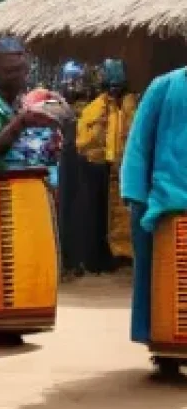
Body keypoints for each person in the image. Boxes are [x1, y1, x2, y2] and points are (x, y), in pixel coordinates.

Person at [0, 36, 64, 345]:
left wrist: (55, 136)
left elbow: (52, 148)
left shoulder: (36, 102)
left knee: (29, 262)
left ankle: (24, 320)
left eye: (21, 69)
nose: (17, 75)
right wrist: (19, 125)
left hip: (34, 194)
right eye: (9, 70)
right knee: (1, 265)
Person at [121, 66, 187, 378]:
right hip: (164, 201)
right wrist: (135, 195)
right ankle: (164, 350)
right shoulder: (165, 86)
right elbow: (139, 143)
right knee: (157, 278)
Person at [76, 59, 137, 268]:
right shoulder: (95, 108)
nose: (115, 91)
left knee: (124, 211)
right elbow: (83, 142)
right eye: (112, 86)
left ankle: (125, 253)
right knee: (101, 214)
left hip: (126, 166)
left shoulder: (132, 106)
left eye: (118, 86)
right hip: (100, 167)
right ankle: (104, 256)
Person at [57, 61, 91, 279]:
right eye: (70, 80)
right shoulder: (56, 106)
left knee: (80, 210)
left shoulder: (89, 106)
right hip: (64, 160)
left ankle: (77, 260)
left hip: (82, 161)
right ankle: (66, 260)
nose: (73, 85)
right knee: (65, 210)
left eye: (76, 80)